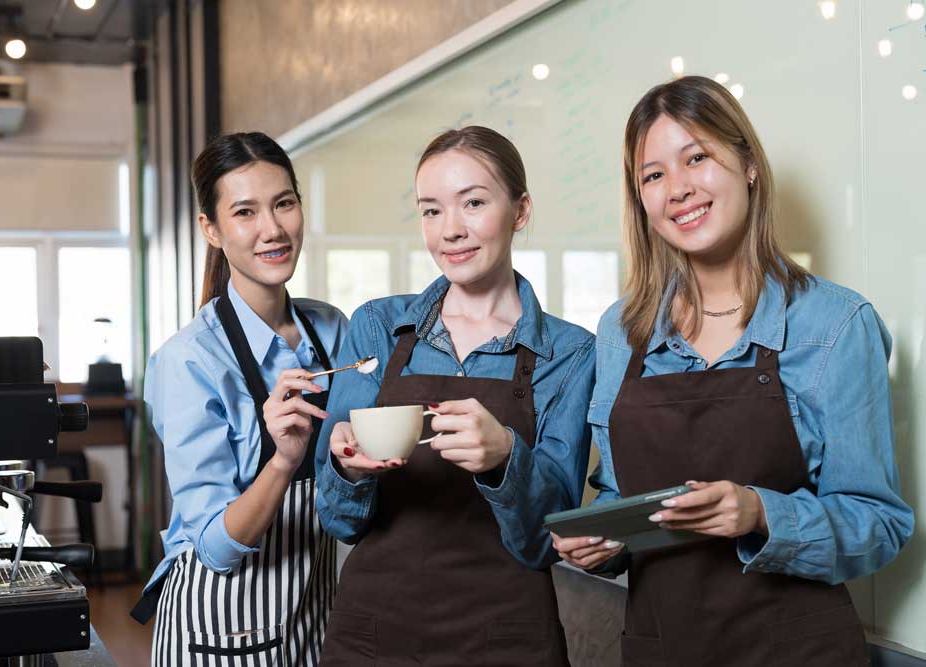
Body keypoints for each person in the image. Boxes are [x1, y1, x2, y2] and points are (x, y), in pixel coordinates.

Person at [554, 76, 914, 666]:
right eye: (653, 174)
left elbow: (880, 524)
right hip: (660, 649)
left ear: (747, 164)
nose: (678, 189)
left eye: (696, 157)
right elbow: (623, 495)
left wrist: (760, 513)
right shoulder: (621, 331)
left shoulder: (836, 324)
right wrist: (600, 536)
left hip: (799, 652)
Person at [313, 125, 595, 666]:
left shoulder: (571, 353)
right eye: (431, 210)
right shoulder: (378, 327)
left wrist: (506, 458)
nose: (451, 230)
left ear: (521, 209)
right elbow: (340, 521)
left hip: (505, 639)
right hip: (373, 637)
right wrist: (347, 468)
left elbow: (544, 543)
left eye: (473, 203)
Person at [130, 132, 348, 666]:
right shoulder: (189, 361)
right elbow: (216, 549)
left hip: (314, 613)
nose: (272, 229)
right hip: (219, 628)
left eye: (284, 204)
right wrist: (284, 461)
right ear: (212, 228)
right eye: (245, 212)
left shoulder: (332, 331)